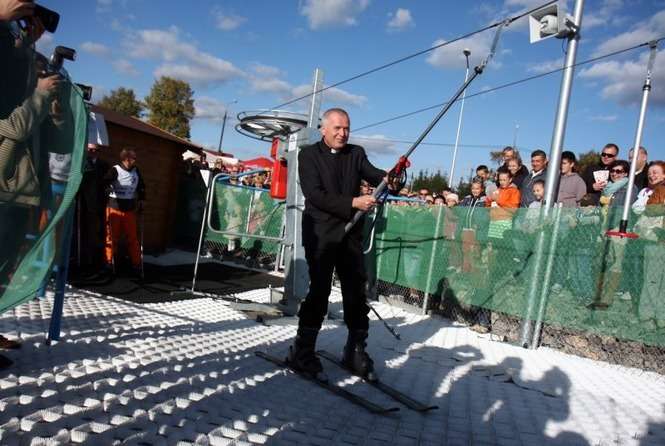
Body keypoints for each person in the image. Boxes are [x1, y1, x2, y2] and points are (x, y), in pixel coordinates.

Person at [289, 108, 387, 382]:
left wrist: (391, 177)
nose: (343, 134)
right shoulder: (308, 155)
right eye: (337, 128)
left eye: (347, 128)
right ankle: (303, 349)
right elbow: (315, 195)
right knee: (319, 291)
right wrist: (354, 202)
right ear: (323, 129)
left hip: (350, 234)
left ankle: (355, 350)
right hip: (321, 232)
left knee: (355, 292)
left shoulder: (356, 153)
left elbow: (376, 175)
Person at [103, 147, 146, 276]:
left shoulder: (136, 171)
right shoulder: (115, 170)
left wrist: (142, 199)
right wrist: (107, 187)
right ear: (126, 159)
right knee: (111, 237)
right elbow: (105, 181)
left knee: (132, 238)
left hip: (129, 209)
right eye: (133, 158)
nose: (135, 160)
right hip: (114, 208)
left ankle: (136, 263)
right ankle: (109, 262)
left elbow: (141, 186)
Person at [632, 161, 665, 327]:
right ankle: (647, 315)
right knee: (653, 280)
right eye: (650, 172)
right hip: (657, 240)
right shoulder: (656, 191)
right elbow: (650, 209)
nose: (652, 175)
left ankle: (660, 315)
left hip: (659, 240)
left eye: (656, 172)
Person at [77, 141, 110, 275]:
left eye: (95, 150)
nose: (92, 152)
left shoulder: (104, 165)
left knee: (95, 231)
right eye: (90, 150)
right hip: (82, 202)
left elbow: (107, 183)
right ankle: (79, 257)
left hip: (97, 203)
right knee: (80, 230)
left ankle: (93, 259)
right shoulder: (81, 163)